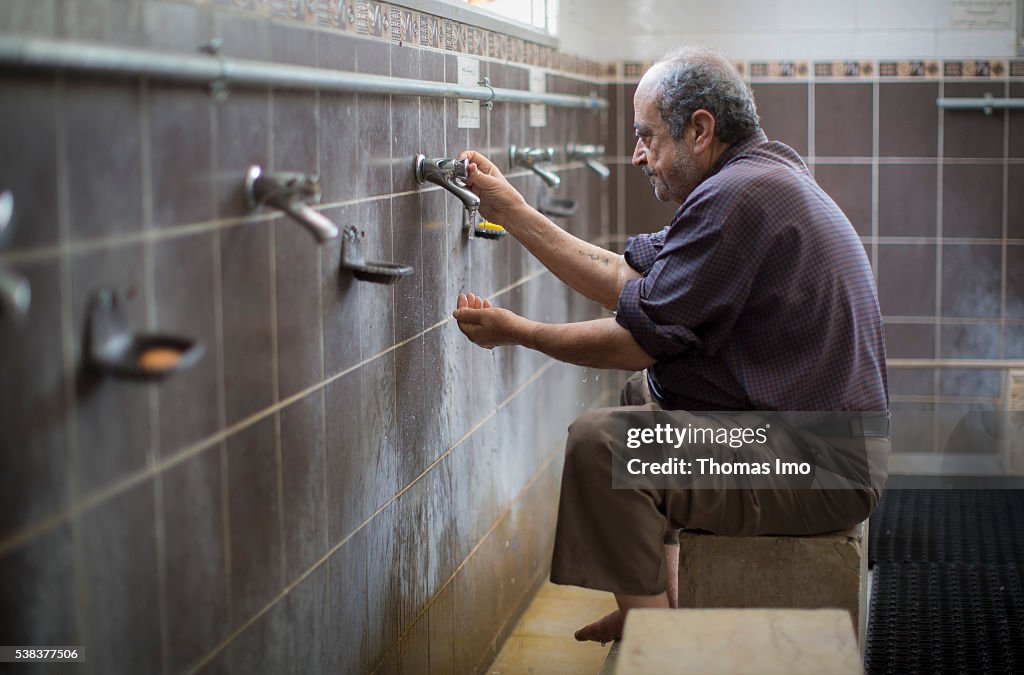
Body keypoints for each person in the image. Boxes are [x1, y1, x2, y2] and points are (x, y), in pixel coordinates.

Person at [452, 45, 889, 644]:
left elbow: (634, 341)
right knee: (642, 399)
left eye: (647, 136)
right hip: (824, 447)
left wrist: (518, 333)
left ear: (700, 129)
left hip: (822, 465)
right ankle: (659, 602)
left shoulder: (738, 197)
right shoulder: (757, 176)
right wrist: (514, 210)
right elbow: (622, 279)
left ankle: (660, 646)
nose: (638, 155)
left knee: (603, 447)